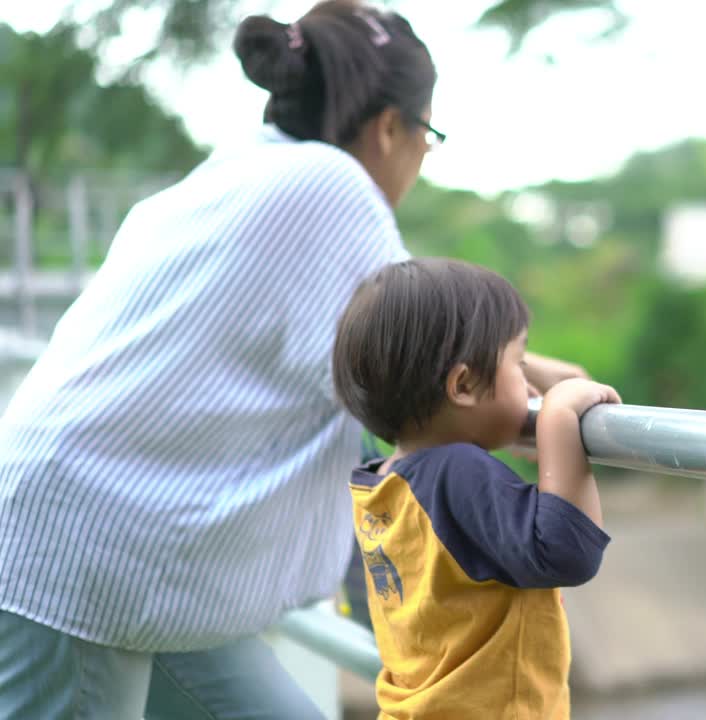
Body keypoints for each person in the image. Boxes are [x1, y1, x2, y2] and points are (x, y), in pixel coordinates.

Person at [0, 2, 583, 717]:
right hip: (85, 550)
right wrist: (560, 396)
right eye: (429, 134)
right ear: (390, 127)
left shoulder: (243, 166)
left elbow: (432, 353)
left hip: (154, 550)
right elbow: (424, 356)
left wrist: (530, 370)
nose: (423, 157)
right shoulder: (333, 188)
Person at [332, 258, 618, 720]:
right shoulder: (456, 471)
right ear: (463, 383)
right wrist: (558, 420)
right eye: (518, 363)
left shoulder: (384, 483)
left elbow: (569, 381)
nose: (528, 383)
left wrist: (512, 371)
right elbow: (567, 552)